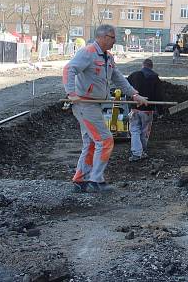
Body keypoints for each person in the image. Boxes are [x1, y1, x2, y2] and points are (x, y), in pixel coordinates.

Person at [63, 24, 148, 193]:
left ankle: (81, 180)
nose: (114, 40)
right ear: (101, 37)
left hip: (94, 104)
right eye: (112, 37)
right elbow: (68, 69)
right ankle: (96, 180)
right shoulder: (87, 53)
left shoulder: (107, 57)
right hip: (85, 104)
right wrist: (70, 92)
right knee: (105, 140)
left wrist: (134, 95)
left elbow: (118, 78)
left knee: (91, 143)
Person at [127, 59, 161, 162]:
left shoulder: (133, 75)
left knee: (134, 131)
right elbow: (158, 95)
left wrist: (129, 104)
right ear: (151, 66)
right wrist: (160, 111)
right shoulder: (155, 77)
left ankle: (137, 152)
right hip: (147, 110)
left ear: (142, 65)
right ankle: (141, 152)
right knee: (144, 131)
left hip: (134, 109)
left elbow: (126, 89)